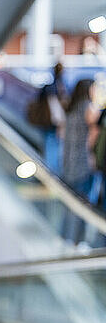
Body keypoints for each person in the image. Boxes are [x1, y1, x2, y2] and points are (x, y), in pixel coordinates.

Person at [61, 78, 99, 243]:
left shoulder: (70, 108)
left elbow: (60, 134)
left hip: (68, 164)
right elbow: (94, 136)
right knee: (83, 206)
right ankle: (77, 242)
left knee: (69, 204)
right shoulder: (88, 109)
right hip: (83, 165)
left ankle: (65, 239)